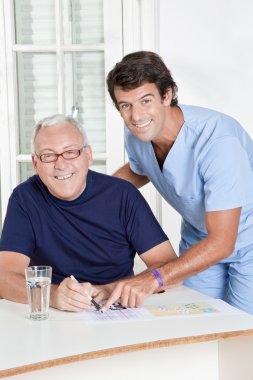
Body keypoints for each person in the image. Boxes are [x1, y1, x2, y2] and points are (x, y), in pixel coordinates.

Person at [103, 50, 253, 314]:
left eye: (145, 100)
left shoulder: (219, 142)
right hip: (199, 239)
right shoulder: (137, 136)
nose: (136, 116)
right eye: (125, 105)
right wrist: (92, 197)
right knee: (193, 321)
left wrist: (154, 278)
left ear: (167, 95)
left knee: (241, 332)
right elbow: (142, 169)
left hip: (245, 243)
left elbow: (223, 241)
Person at [0, 114, 177, 312]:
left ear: (88, 155)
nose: (60, 164)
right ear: (35, 164)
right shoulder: (24, 198)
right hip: (53, 313)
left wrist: (110, 289)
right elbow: (4, 278)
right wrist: (54, 295)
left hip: (116, 310)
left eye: (70, 152)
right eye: (48, 155)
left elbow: (171, 269)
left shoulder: (122, 195)